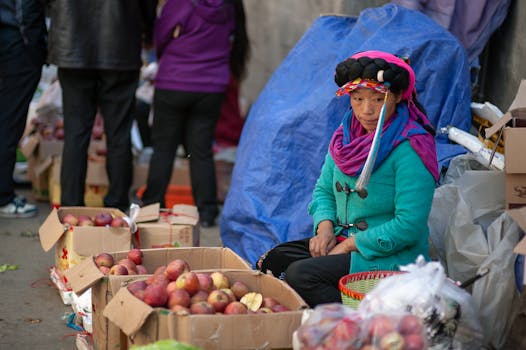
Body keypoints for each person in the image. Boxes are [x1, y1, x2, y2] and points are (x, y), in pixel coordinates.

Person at [257, 50, 439, 307]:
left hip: (384, 253)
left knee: (301, 275)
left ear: (398, 97)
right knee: (272, 261)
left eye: (378, 99)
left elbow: (409, 225)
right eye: (358, 98)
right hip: (341, 238)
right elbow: (324, 191)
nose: (367, 110)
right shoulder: (344, 138)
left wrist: (351, 244)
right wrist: (325, 228)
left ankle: (355, 326)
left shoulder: (411, 147)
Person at [141, 0, 250, 227]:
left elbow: (161, 33)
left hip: (174, 80)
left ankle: (152, 207)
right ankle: (207, 212)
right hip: (211, 86)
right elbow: (232, 35)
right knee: (201, 151)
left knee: (163, 149)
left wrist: (164, 56)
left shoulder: (181, 2)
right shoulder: (227, 6)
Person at [46, 0, 157, 212]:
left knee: (76, 134)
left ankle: (72, 206)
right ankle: (117, 205)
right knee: (118, 134)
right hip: (120, 48)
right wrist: (147, 30)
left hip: (73, 49)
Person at [0, 0, 47, 218]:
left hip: (13, 39)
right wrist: (34, 43)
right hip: (16, 43)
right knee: (9, 121)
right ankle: (3, 196)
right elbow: (24, 9)